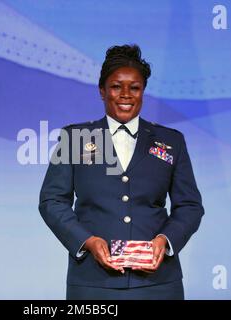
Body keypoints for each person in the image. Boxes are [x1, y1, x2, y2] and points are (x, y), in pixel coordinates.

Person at [38, 44, 204, 300]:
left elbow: (190, 205)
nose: (125, 94)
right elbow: (52, 201)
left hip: (158, 283)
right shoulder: (75, 138)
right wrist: (88, 241)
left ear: (143, 92)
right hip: (92, 283)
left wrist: (165, 240)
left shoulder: (172, 141)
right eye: (116, 86)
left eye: (134, 87)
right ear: (102, 91)